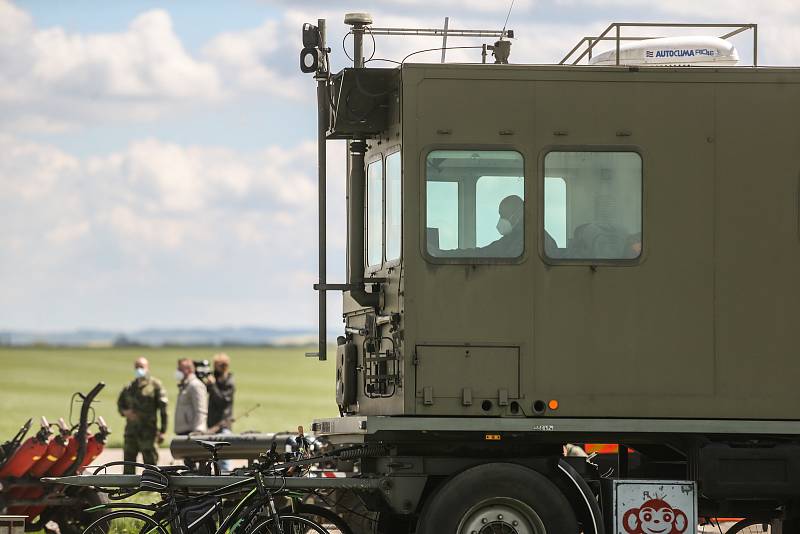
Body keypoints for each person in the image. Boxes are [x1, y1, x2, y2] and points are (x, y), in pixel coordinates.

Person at [117, 357, 168, 474]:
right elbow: (120, 404)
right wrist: (125, 412)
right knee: (128, 462)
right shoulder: (129, 387)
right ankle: (128, 488)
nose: (139, 369)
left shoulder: (155, 385)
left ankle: (152, 487)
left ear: (147, 368)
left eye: (142, 367)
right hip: (131, 431)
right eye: (137, 367)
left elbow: (163, 409)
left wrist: (163, 430)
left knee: (150, 463)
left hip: (148, 431)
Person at [174, 358, 208, 435]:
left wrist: (198, 430)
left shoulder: (195, 385)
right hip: (183, 431)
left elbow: (201, 410)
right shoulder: (185, 385)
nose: (178, 371)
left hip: (191, 432)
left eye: (180, 369)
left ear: (189, 369)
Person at [204, 353, 235, 433]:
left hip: (223, 424)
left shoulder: (229, 382)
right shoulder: (215, 378)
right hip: (211, 423)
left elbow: (222, 401)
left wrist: (213, 385)